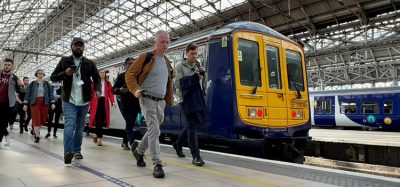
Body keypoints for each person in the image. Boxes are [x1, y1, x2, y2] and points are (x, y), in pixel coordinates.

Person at [125, 30, 174, 178]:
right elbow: (130, 74)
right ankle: (157, 164)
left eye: (167, 42)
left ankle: (139, 152)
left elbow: (166, 81)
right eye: (162, 42)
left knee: (154, 130)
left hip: (161, 102)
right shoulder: (146, 57)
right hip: (147, 98)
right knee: (154, 130)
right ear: (155, 42)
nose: (165, 44)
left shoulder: (166, 61)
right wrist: (135, 90)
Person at [50, 37, 101, 164]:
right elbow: (53, 77)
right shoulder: (64, 61)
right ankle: (68, 151)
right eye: (76, 45)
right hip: (69, 100)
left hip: (84, 101)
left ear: (83, 47)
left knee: (79, 128)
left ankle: (77, 150)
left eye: (81, 46)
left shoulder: (89, 63)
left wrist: (98, 89)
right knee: (69, 124)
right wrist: (65, 73)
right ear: (71, 47)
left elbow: (97, 78)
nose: (79, 47)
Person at [172, 43, 206, 166]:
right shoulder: (180, 67)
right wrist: (194, 77)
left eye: (196, 54)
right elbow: (179, 85)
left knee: (191, 125)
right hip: (185, 100)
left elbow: (201, 84)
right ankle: (196, 155)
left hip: (196, 99)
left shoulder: (198, 66)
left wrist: (202, 75)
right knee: (192, 125)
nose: (194, 56)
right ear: (186, 54)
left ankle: (177, 144)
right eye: (192, 54)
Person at [112, 57, 140, 150]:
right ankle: (132, 142)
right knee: (129, 122)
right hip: (125, 104)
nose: (132, 65)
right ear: (126, 65)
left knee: (130, 124)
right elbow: (113, 89)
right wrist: (119, 90)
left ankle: (124, 142)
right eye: (129, 63)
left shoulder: (138, 76)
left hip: (136, 104)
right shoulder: (121, 76)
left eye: (133, 63)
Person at [23, 69, 56, 143]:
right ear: (36, 74)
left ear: (44, 75)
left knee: (43, 119)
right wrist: (25, 104)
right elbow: (28, 94)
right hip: (34, 102)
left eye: (42, 73)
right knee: (36, 118)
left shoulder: (47, 84)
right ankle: (37, 136)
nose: (40, 74)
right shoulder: (32, 83)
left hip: (45, 102)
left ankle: (35, 131)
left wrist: (53, 103)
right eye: (39, 73)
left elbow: (51, 94)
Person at [89, 69, 115, 146]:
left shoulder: (108, 83)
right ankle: (99, 138)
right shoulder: (95, 83)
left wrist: (112, 101)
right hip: (96, 101)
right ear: (98, 74)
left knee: (102, 118)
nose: (102, 74)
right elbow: (91, 92)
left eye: (103, 73)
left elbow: (111, 93)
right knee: (98, 119)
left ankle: (96, 134)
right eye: (100, 73)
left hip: (104, 101)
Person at [0, 58, 20, 147]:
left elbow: (21, 90)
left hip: (7, 103)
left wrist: (20, 83)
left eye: (9, 65)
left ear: (12, 66)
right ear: (2, 65)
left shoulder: (14, 78)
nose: (7, 66)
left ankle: (4, 136)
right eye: (5, 64)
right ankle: (6, 134)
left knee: (3, 123)